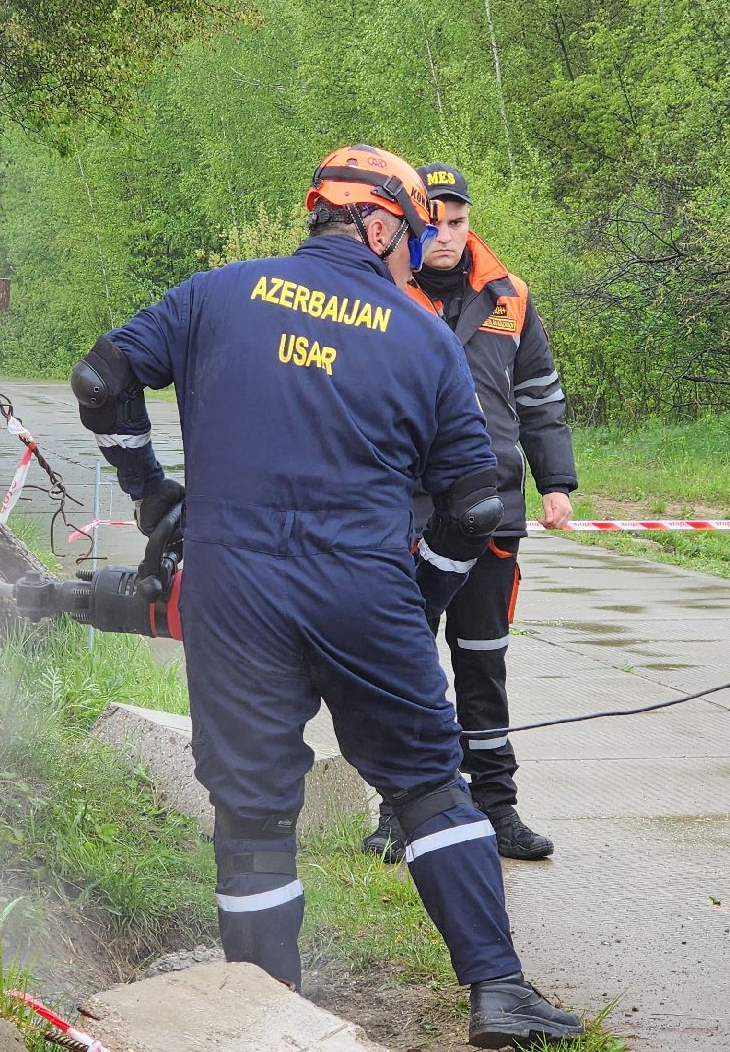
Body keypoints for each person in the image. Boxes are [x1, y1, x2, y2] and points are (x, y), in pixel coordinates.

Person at [68, 144, 582, 1046]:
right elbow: (477, 505)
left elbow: (100, 381)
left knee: (253, 808)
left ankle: (269, 1017)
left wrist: (153, 495)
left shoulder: (216, 293)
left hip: (233, 593)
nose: (415, 254)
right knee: (428, 785)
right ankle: (498, 990)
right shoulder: (423, 336)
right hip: (363, 589)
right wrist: (422, 591)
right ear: (380, 226)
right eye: (412, 235)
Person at [358, 161, 578, 863]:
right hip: (409, 510)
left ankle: (497, 809)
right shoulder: (379, 289)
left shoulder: (511, 296)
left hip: (494, 511)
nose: (446, 236)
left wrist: (556, 482)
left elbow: (540, 396)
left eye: (457, 222)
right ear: (413, 226)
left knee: (483, 663)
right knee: (405, 664)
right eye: (434, 224)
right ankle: (401, 813)